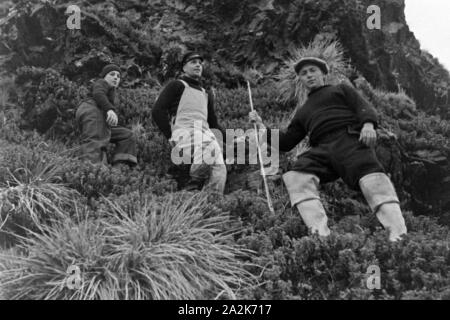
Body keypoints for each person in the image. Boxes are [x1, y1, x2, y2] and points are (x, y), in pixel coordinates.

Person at [249, 57, 407, 242]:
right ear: (300, 79)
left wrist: (368, 125)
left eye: (312, 70)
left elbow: (363, 107)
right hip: (322, 149)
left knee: (374, 180)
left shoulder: (341, 89)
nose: (309, 75)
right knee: (297, 175)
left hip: (350, 142)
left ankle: (399, 238)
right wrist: (261, 127)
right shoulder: (303, 110)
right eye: (303, 73)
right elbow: (287, 142)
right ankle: (321, 239)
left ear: (323, 73)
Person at [152, 52, 227, 194]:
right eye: (193, 62)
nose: (198, 65)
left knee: (220, 167)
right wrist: (170, 136)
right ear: (184, 68)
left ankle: (212, 203)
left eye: (200, 63)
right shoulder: (176, 85)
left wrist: (232, 139)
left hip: (204, 135)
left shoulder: (206, 94)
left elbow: (213, 125)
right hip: (184, 133)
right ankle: (193, 185)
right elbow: (157, 110)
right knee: (209, 146)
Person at [76, 64, 137, 166]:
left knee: (127, 135)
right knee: (94, 141)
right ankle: (91, 171)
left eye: (118, 76)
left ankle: (120, 168)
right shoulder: (101, 83)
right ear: (104, 76)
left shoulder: (111, 92)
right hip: (92, 110)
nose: (115, 77)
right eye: (112, 74)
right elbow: (98, 94)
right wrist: (109, 110)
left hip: (99, 117)